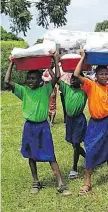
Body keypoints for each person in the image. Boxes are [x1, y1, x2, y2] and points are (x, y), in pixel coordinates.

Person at [4, 54, 71, 195]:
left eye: (33, 78)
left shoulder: (45, 89)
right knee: (31, 154)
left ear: (41, 79)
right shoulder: (24, 91)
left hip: (43, 127)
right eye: (28, 78)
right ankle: (36, 181)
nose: (30, 81)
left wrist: (51, 62)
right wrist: (12, 63)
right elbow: (7, 81)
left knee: (50, 154)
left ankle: (60, 183)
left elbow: (57, 77)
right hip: (29, 127)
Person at [74, 50, 108, 195]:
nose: (105, 76)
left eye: (106, 74)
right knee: (91, 149)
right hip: (95, 123)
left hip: (107, 121)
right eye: (101, 74)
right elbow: (76, 75)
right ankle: (88, 182)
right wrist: (83, 57)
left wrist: (107, 109)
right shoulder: (90, 85)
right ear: (96, 76)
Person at [58, 73, 87, 179]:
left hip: (79, 120)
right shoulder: (66, 88)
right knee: (75, 145)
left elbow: (92, 82)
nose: (73, 80)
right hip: (69, 120)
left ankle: (74, 168)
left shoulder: (84, 91)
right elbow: (56, 78)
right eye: (72, 78)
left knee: (76, 144)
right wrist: (51, 63)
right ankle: (88, 158)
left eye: (76, 78)